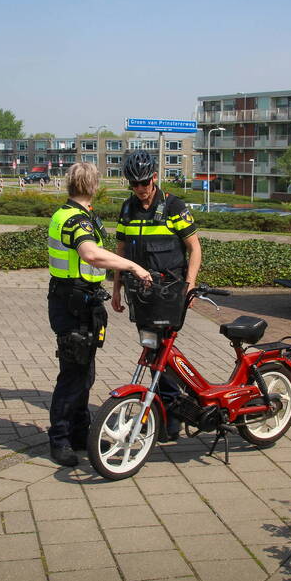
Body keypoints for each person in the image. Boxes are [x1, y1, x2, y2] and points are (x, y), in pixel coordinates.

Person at [46, 162, 151, 467]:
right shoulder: (76, 220)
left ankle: (79, 432)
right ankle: (60, 439)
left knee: (84, 372)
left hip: (77, 301)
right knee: (73, 374)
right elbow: (90, 254)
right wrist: (132, 265)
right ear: (93, 186)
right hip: (73, 303)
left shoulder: (65, 214)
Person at [111, 150, 202, 441]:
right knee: (152, 352)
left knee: (162, 352)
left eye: (144, 183)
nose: (140, 189)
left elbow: (195, 248)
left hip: (169, 292)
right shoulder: (127, 209)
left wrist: (190, 285)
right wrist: (115, 288)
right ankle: (162, 410)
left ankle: (172, 416)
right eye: (134, 184)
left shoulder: (174, 206)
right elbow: (121, 252)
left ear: (154, 177)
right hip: (141, 295)